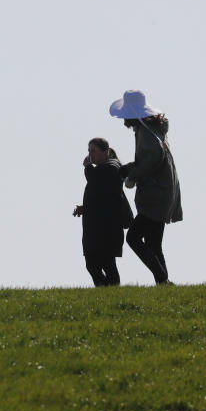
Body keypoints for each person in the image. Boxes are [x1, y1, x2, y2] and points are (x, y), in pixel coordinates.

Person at [109, 90, 183, 285]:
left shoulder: (146, 132)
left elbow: (152, 158)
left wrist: (132, 176)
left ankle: (162, 279)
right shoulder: (151, 129)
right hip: (164, 191)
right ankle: (164, 284)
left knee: (133, 238)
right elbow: (151, 159)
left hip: (156, 194)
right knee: (154, 244)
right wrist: (130, 168)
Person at [72, 138, 132, 287]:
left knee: (106, 263)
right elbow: (100, 196)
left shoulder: (111, 167)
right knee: (92, 264)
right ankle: (106, 292)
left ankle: (110, 292)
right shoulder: (104, 168)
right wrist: (85, 208)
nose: (90, 154)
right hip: (96, 225)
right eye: (89, 151)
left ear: (105, 152)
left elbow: (95, 181)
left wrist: (87, 167)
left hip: (107, 226)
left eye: (93, 151)